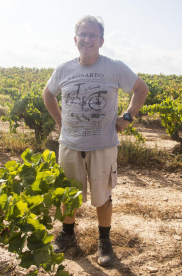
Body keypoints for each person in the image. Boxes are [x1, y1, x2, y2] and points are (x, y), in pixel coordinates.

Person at [42, 15, 149, 267]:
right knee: (68, 196)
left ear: (101, 41)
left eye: (93, 35)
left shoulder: (115, 67)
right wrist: (60, 122)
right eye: (83, 35)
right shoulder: (63, 70)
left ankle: (104, 241)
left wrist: (127, 117)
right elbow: (48, 95)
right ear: (75, 39)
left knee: (103, 196)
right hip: (69, 145)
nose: (87, 39)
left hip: (103, 145)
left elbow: (141, 89)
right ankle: (68, 234)